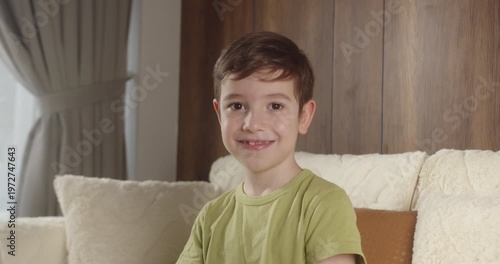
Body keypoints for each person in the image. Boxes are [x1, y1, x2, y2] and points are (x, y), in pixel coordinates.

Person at [177, 31, 366, 264]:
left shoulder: (324, 204)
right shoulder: (210, 217)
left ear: (304, 117)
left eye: (275, 106)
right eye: (237, 105)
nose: (253, 124)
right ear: (219, 115)